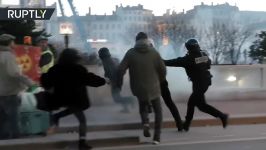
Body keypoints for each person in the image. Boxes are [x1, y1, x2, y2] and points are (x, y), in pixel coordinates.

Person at [41, 48, 106, 150]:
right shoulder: (78, 69)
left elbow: (45, 80)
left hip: (61, 98)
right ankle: (82, 142)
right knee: (82, 120)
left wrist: (50, 88)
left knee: (73, 110)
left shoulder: (55, 69)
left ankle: (57, 116)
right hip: (76, 98)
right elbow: (90, 79)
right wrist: (103, 81)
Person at [164, 39, 229, 132]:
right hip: (204, 82)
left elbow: (175, 62)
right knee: (201, 105)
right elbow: (208, 64)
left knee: (192, 103)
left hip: (199, 84)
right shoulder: (203, 55)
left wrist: (162, 61)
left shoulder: (189, 59)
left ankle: (221, 116)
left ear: (188, 48)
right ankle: (221, 116)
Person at [117, 32, 166, 144]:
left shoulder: (130, 53)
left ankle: (145, 123)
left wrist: (119, 83)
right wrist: (161, 80)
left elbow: (120, 69)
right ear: (147, 40)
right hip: (154, 87)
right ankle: (156, 137)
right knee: (158, 111)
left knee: (143, 105)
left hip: (138, 87)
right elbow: (163, 69)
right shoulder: (154, 52)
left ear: (136, 40)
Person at [0, 34, 35, 139]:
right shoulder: (8, 56)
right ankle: (16, 137)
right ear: (9, 43)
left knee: (2, 117)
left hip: (1, 91)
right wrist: (30, 83)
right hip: (9, 91)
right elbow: (14, 74)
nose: (14, 44)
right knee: (13, 117)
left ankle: (3, 136)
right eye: (13, 42)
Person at [148, 39, 183, 132]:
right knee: (169, 103)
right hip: (162, 83)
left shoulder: (144, 57)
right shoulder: (157, 55)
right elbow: (163, 69)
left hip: (152, 84)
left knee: (148, 103)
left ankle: (147, 124)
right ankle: (179, 124)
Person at [98, 47, 135, 113]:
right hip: (118, 80)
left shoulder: (106, 61)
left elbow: (111, 72)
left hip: (115, 81)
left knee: (116, 99)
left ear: (102, 54)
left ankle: (131, 99)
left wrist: (112, 81)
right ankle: (126, 108)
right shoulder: (110, 59)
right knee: (118, 97)